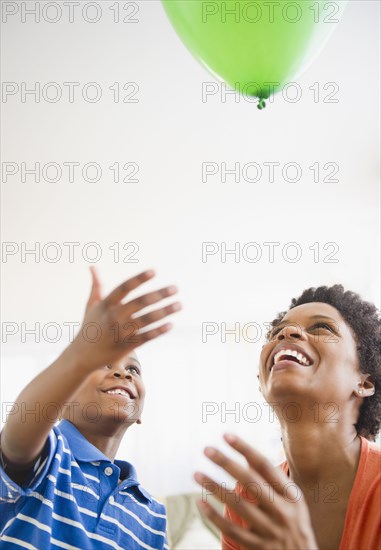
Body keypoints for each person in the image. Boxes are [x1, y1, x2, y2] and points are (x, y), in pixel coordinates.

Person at [0, 267, 181, 549]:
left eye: (133, 368)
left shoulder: (152, 514)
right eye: (104, 365)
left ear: (140, 414)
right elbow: (18, 435)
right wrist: (80, 356)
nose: (124, 374)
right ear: (62, 396)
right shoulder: (50, 454)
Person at [194, 284, 381, 550]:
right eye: (275, 332)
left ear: (364, 382)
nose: (287, 332)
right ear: (262, 381)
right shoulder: (249, 498)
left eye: (321, 328)